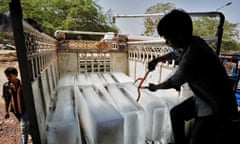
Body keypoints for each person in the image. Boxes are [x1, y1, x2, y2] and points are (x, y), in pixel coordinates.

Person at [147, 9, 238, 144]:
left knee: (198, 139)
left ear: (179, 36)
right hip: (204, 97)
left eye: (167, 38)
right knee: (176, 114)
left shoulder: (191, 58)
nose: (166, 42)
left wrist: (155, 87)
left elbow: (173, 82)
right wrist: (157, 60)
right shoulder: (195, 41)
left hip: (215, 107)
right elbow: (175, 54)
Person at [2, 67, 29, 144]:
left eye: (10, 76)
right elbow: (6, 99)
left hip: (24, 110)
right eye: (7, 76)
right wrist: (6, 111)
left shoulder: (23, 85)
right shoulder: (6, 86)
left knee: (23, 127)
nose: (8, 78)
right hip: (15, 111)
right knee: (24, 126)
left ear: (16, 75)